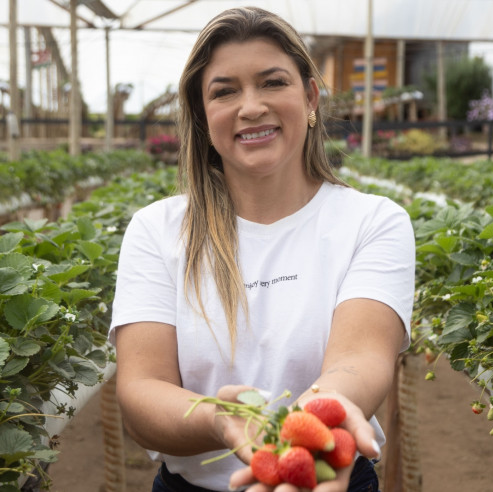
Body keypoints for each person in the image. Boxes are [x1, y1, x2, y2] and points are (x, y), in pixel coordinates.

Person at [109, 6, 415, 491]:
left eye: (273, 82)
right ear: (202, 115)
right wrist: (219, 419)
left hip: (325, 477)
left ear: (310, 97)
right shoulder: (158, 231)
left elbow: (361, 358)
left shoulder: (371, 222)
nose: (251, 107)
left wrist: (310, 428)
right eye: (224, 91)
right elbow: (140, 390)